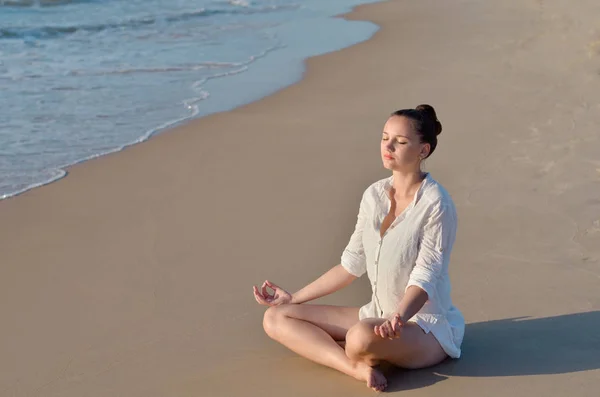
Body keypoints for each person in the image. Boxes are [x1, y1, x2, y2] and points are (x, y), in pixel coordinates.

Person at [252, 104, 465, 392]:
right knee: (276, 318)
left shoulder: (436, 203)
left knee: (359, 339)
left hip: (423, 327)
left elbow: (425, 277)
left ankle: (352, 353)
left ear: (423, 151)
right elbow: (350, 266)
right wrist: (294, 298)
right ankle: (353, 368)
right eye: (384, 137)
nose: (388, 146)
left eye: (400, 142)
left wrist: (397, 317)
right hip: (377, 314)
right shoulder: (374, 195)